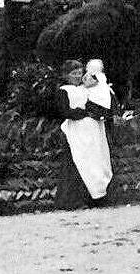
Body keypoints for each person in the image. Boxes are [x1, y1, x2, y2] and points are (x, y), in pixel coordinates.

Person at [54, 59, 113, 209]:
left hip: (92, 131)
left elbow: (98, 100)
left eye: (80, 73)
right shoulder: (63, 90)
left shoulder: (86, 88)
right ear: (66, 75)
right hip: (75, 130)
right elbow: (65, 111)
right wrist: (82, 113)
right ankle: (73, 200)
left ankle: (97, 196)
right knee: (78, 161)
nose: (77, 76)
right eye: (74, 74)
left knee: (95, 161)